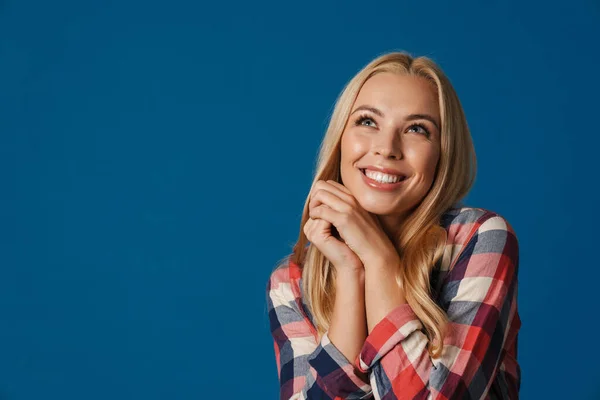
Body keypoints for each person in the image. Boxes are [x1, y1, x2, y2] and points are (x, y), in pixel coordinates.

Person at [265, 51, 521, 400]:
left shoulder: (479, 238)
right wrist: (350, 272)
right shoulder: (292, 281)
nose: (387, 148)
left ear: (443, 154)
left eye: (417, 129)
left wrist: (380, 260)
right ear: (341, 138)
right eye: (368, 122)